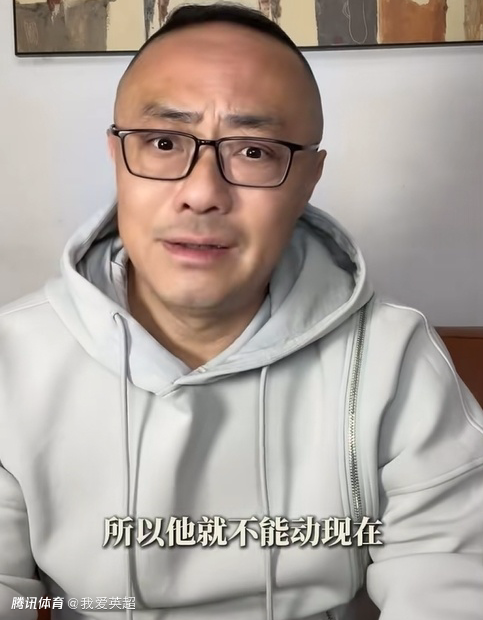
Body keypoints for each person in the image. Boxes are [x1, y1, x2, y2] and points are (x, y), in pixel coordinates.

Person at [1, 3, 482, 620]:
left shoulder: (393, 358)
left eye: (254, 151)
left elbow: (449, 575)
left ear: (308, 178)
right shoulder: (15, 359)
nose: (202, 193)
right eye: (163, 142)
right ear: (116, 156)